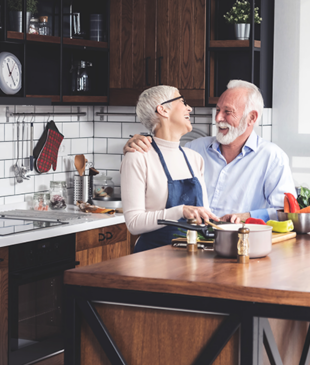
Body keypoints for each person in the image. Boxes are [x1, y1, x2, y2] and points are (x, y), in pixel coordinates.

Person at [124, 80, 294, 223]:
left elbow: (286, 212)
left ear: (252, 118)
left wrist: (247, 216)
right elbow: (159, 160)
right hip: (193, 245)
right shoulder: (194, 149)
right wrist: (139, 144)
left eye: (227, 112)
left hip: (241, 244)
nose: (218, 118)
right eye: (218, 110)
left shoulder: (272, 157)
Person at [120, 85, 220, 253]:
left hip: (193, 256)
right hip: (152, 259)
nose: (190, 108)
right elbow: (134, 224)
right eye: (183, 102)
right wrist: (180, 211)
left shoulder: (194, 158)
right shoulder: (137, 157)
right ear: (163, 110)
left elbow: (204, 214)